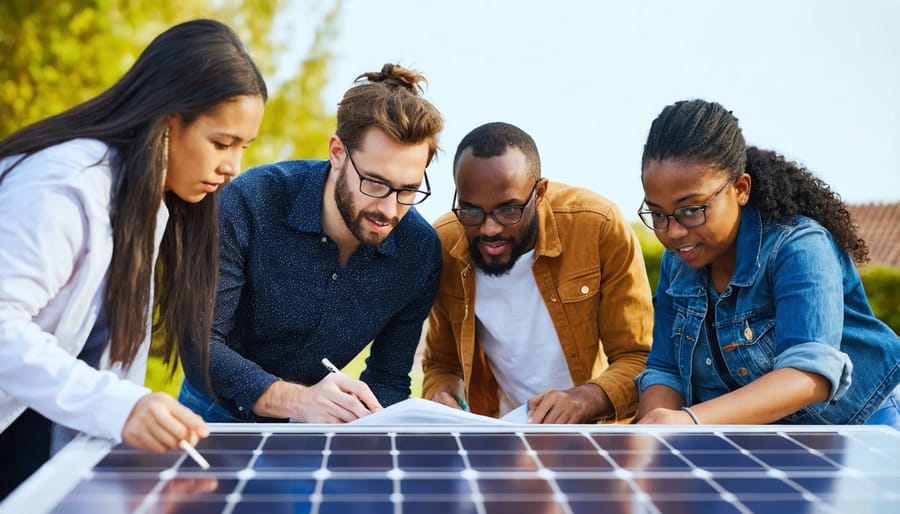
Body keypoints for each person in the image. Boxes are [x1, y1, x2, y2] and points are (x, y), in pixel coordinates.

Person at [0, 18, 267, 496]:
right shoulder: (63, 186)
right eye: (221, 143)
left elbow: (104, 371)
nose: (232, 168)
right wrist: (120, 408)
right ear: (166, 121)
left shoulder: (149, 204)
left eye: (242, 148)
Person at [178, 64, 444, 424]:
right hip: (211, 412)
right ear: (337, 152)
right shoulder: (250, 201)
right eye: (376, 183)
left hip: (311, 426)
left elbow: (389, 378)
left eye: (408, 189)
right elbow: (200, 344)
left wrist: (368, 427)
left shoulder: (419, 251)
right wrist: (298, 401)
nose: (389, 209)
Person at [634, 99, 900, 426]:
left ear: (741, 189)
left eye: (691, 210)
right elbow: (665, 370)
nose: (673, 232)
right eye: (658, 214)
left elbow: (809, 373)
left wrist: (688, 421)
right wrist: (653, 433)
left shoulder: (798, 246)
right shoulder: (677, 263)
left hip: (863, 429)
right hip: (759, 439)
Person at [422, 122, 654, 423]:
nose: (489, 229)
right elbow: (442, 363)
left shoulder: (598, 227)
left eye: (508, 211)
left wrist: (584, 399)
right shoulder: (444, 244)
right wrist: (441, 394)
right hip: (499, 437)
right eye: (471, 211)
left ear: (540, 192)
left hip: (593, 434)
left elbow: (639, 356)